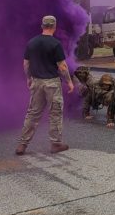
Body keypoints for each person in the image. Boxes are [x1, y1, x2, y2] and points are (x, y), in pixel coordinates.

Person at [16, 15, 74, 155]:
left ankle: (22, 145)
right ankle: (55, 144)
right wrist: (69, 82)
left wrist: (29, 78)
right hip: (52, 84)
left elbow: (25, 64)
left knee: (33, 114)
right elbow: (62, 67)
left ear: (42, 26)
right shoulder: (55, 44)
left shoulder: (32, 42)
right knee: (55, 113)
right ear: (54, 27)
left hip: (36, 82)